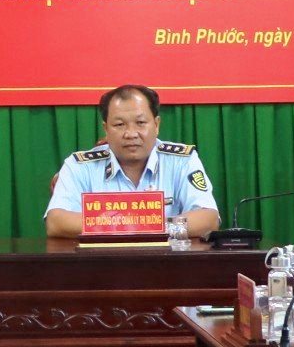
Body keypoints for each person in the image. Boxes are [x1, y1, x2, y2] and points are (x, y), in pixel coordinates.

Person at [43, 84, 218, 240]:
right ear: (106, 129)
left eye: (140, 123)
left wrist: (151, 226)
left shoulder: (182, 160)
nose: (131, 134)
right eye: (119, 125)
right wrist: (135, 223)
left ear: (156, 125)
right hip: (102, 262)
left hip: (166, 261)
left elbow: (207, 219)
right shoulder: (80, 166)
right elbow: (56, 222)